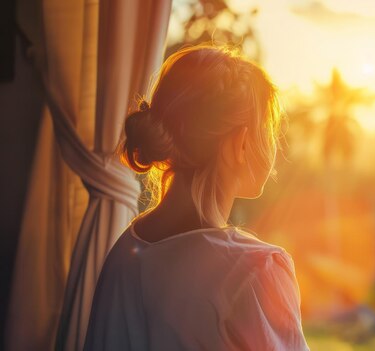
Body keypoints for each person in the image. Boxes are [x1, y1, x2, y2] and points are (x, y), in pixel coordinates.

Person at [83, 45, 309, 351]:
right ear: (240, 144)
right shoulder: (257, 270)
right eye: (268, 130)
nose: (274, 146)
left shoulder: (123, 253)